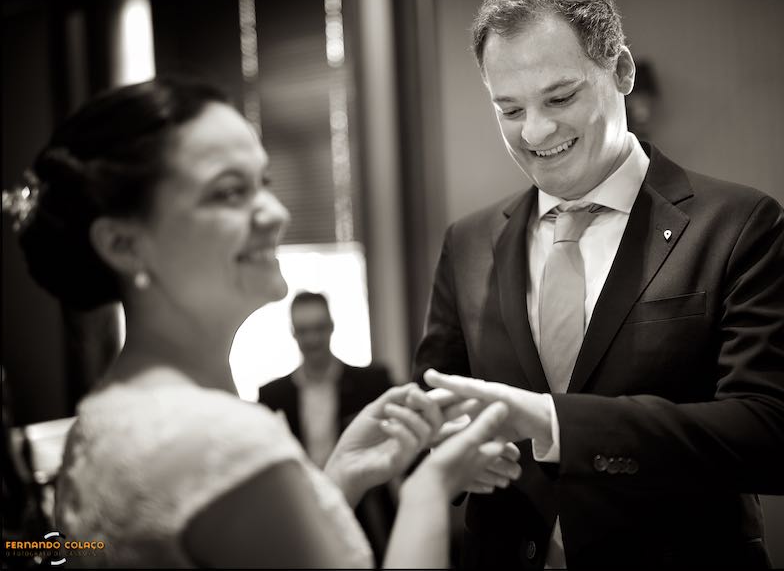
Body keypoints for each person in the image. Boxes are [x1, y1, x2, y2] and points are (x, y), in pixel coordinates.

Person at [2, 76, 520, 568]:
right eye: (230, 192)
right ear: (123, 244)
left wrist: (340, 474)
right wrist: (431, 486)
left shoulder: (105, 418)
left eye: (263, 183)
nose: (276, 213)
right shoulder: (215, 437)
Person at [414, 0, 784, 569]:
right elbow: (436, 408)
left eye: (560, 97)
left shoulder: (738, 225)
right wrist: (438, 443)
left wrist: (558, 423)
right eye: (509, 108)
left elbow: (776, 437)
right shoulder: (468, 242)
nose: (536, 130)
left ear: (621, 71)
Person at [259, 291, 397, 565]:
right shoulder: (272, 396)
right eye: (304, 331)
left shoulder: (372, 383)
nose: (312, 339)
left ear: (331, 327)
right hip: (301, 511)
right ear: (293, 333)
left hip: (367, 512)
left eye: (319, 328)